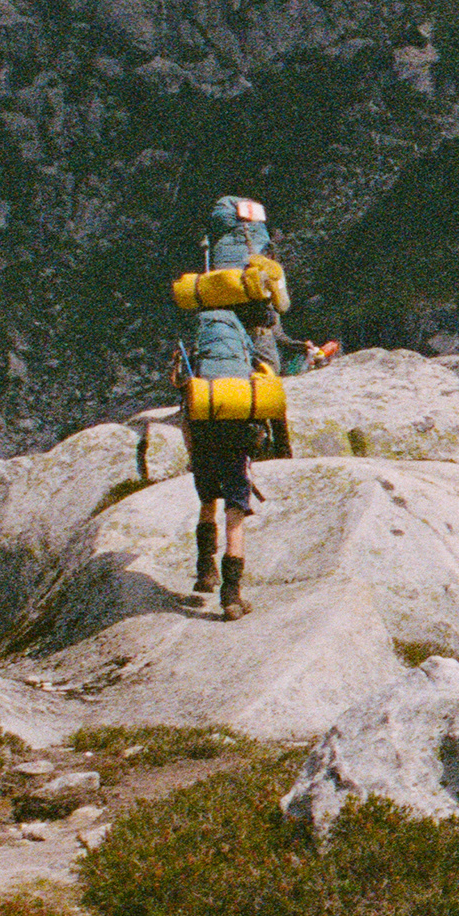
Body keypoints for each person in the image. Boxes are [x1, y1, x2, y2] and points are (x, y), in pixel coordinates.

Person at [174, 193, 335, 620]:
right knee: (236, 510)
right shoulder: (262, 273)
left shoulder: (209, 303)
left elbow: (184, 382)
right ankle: (232, 595)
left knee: (207, 499)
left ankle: (204, 571)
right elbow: (279, 313)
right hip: (241, 421)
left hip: (205, 423)